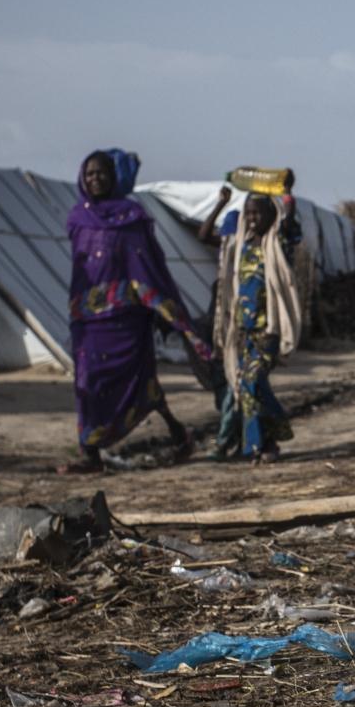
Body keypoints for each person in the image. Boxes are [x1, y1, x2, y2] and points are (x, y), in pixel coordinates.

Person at [63, 150, 208, 474]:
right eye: (89, 174)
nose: (95, 178)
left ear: (113, 177)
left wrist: (157, 304)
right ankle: (89, 453)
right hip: (88, 318)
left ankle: (177, 433)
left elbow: (147, 263)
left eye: (101, 173)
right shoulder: (77, 218)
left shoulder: (132, 216)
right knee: (86, 381)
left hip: (126, 316)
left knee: (141, 381)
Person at [199, 188, 305, 463]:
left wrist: (288, 201)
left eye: (259, 212)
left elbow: (290, 228)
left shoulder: (275, 244)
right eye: (249, 213)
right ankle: (266, 443)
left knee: (252, 380)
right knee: (246, 388)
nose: (253, 218)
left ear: (271, 215)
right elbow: (206, 237)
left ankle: (265, 438)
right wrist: (221, 204)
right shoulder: (241, 245)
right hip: (243, 330)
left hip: (267, 329)